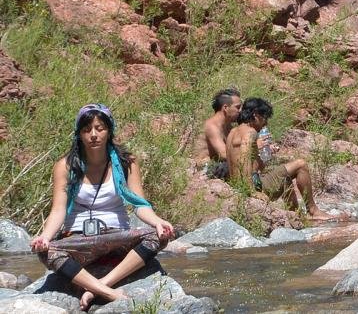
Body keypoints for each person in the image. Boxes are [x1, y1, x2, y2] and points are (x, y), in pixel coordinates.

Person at [29, 104, 175, 310]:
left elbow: (140, 205)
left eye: (100, 128)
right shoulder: (66, 166)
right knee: (46, 251)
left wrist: (158, 222)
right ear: (79, 134)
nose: (94, 135)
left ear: (109, 131)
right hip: (77, 238)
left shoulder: (127, 163)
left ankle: (98, 285)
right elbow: (58, 210)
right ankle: (107, 291)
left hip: (117, 237)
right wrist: (44, 237)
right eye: (87, 129)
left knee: (160, 235)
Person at [226, 98, 333, 221]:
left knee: (284, 178)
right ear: (255, 115)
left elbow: (245, 162)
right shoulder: (250, 132)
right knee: (301, 164)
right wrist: (251, 191)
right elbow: (244, 158)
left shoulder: (233, 132)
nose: (265, 124)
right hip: (252, 187)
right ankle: (313, 211)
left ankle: (296, 216)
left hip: (237, 185)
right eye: (265, 118)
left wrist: (262, 156)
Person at [203, 87, 241, 179]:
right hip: (205, 169)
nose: (240, 111)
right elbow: (224, 154)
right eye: (237, 107)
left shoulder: (228, 127)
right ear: (225, 108)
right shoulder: (212, 126)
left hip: (218, 166)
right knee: (231, 165)